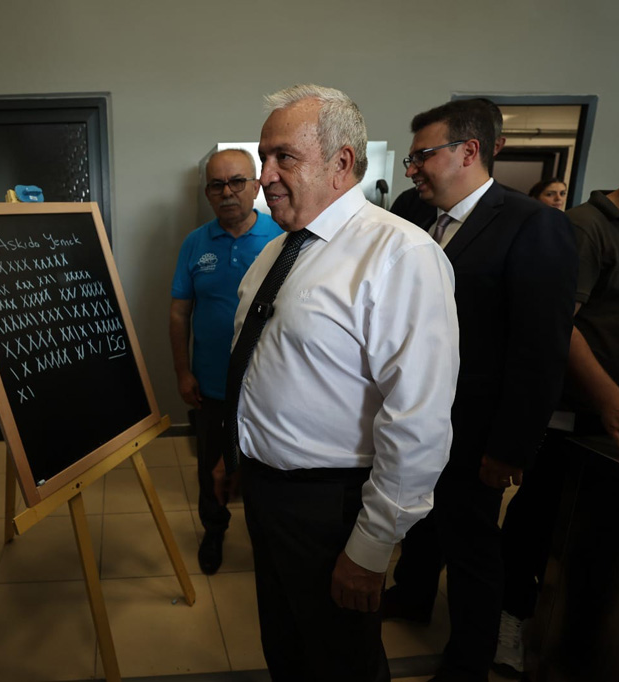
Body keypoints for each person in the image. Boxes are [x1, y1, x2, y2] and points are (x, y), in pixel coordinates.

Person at [229, 83, 459, 681]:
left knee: (341, 664)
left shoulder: (400, 255)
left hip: (332, 509)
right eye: (263, 157)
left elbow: (419, 419)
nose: (265, 175)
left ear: (342, 162)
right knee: (287, 650)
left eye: (284, 157)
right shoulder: (276, 252)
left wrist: (372, 545)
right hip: (269, 494)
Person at [382, 99, 576, 682]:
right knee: (418, 520)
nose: (412, 168)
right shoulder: (411, 211)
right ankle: (411, 596)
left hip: (476, 427)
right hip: (413, 414)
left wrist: (510, 447)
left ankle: (468, 660)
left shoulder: (533, 225)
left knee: (470, 544)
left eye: (422, 155)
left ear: (468, 151)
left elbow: (539, 348)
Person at [495, 127, 619, 676]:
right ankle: (509, 617)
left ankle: (582, 632)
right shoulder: (585, 228)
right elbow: (559, 325)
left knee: (608, 540)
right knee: (540, 522)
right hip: (578, 418)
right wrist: (611, 401)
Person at [170, 148, 281, 575]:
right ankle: (214, 531)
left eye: (237, 182)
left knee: (262, 470)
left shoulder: (282, 239)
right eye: (217, 185)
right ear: (207, 193)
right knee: (210, 468)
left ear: (256, 186)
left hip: (269, 389)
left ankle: (265, 538)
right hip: (212, 384)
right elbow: (179, 313)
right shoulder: (195, 243)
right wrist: (183, 371)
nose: (227, 192)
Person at [390, 97, 506, 225]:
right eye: (412, 160)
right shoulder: (409, 206)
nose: (410, 172)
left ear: (469, 152)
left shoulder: (520, 220)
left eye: (422, 156)